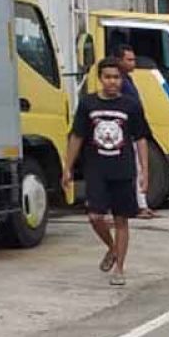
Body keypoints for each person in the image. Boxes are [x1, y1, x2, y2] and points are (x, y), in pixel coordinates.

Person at [63, 57, 152, 286]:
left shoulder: (131, 105)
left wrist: (145, 172)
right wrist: (67, 167)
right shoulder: (88, 104)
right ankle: (112, 248)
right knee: (95, 216)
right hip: (96, 169)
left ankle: (119, 268)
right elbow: (77, 136)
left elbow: (141, 139)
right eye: (107, 77)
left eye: (116, 77)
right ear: (100, 79)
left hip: (123, 169)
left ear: (122, 80)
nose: (112, 82)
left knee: (122, 220)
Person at [112, 44, 157, 219]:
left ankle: (141, 204)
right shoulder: (119, 81)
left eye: (134, 59)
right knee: (134, 168)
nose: (133, 63)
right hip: (125, 131)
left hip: (133, 129)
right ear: (119, 60)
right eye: (129, 60)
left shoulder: (128, 79)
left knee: (137, 167)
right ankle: (139, 206)